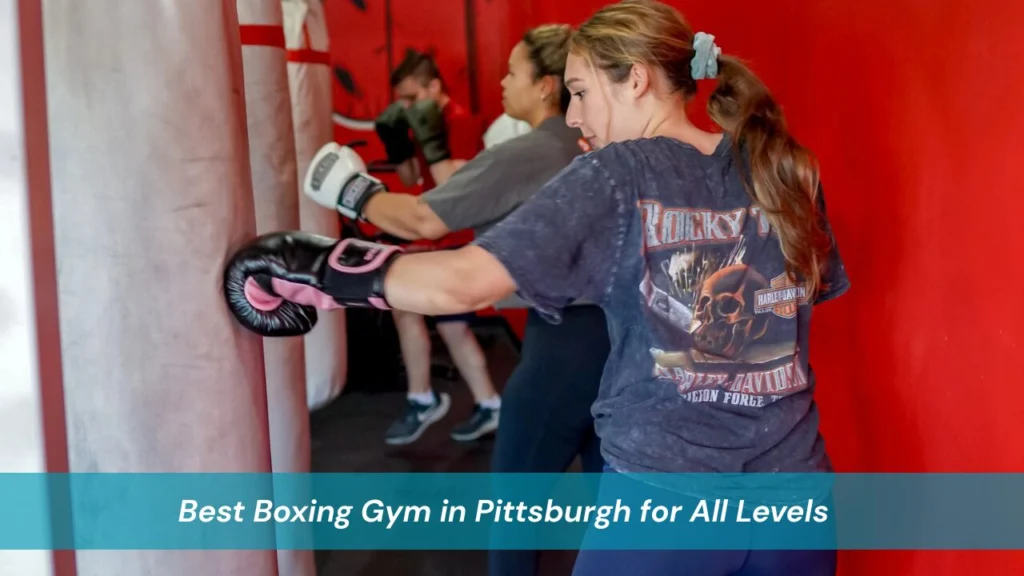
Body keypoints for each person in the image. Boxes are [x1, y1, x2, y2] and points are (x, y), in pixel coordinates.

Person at [224, 1, 849, 574]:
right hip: (797, 500)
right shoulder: (782, 166)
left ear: (634, 79)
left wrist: (314, 268)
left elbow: (460, 285)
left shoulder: (616, 172)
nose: (573, 116)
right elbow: (788, 305)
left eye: (580, 92)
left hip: (667, 504)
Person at [307, 24, 607, 576]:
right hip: (621, 342)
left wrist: (350, 191)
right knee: (612, 512)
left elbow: (424, 218)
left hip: (563, 342)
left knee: (515, 508)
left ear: (546, 85)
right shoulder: (599, 144)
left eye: (512, 72)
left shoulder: (536, 148)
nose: (502, 82)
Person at [370, 49, 499, 445]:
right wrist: (399, 145)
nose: (407, 107)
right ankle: (488, 404)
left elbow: (452, 190)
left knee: (410, 307)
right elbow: (413, 178)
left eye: (412, 98)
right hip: (433, 235)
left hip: (457, 237)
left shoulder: (458, 122)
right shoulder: (422, 120)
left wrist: (430, 136)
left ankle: (424, 399)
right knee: (448, 325)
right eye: (402, 101)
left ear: (434, 86)